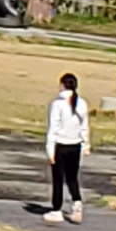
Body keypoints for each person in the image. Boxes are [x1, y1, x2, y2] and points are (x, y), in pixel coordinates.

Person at [45, 71, 91, 222]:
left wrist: (50, 150)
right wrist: (85, 144)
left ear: (62, 85)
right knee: (72, 177)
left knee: (58, 178)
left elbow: (53, 128)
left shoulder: (57, 103)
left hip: (61, 145)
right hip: (75, 145)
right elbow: (84, 126)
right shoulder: (82, 103)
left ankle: (56, 209)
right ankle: (77, 202)